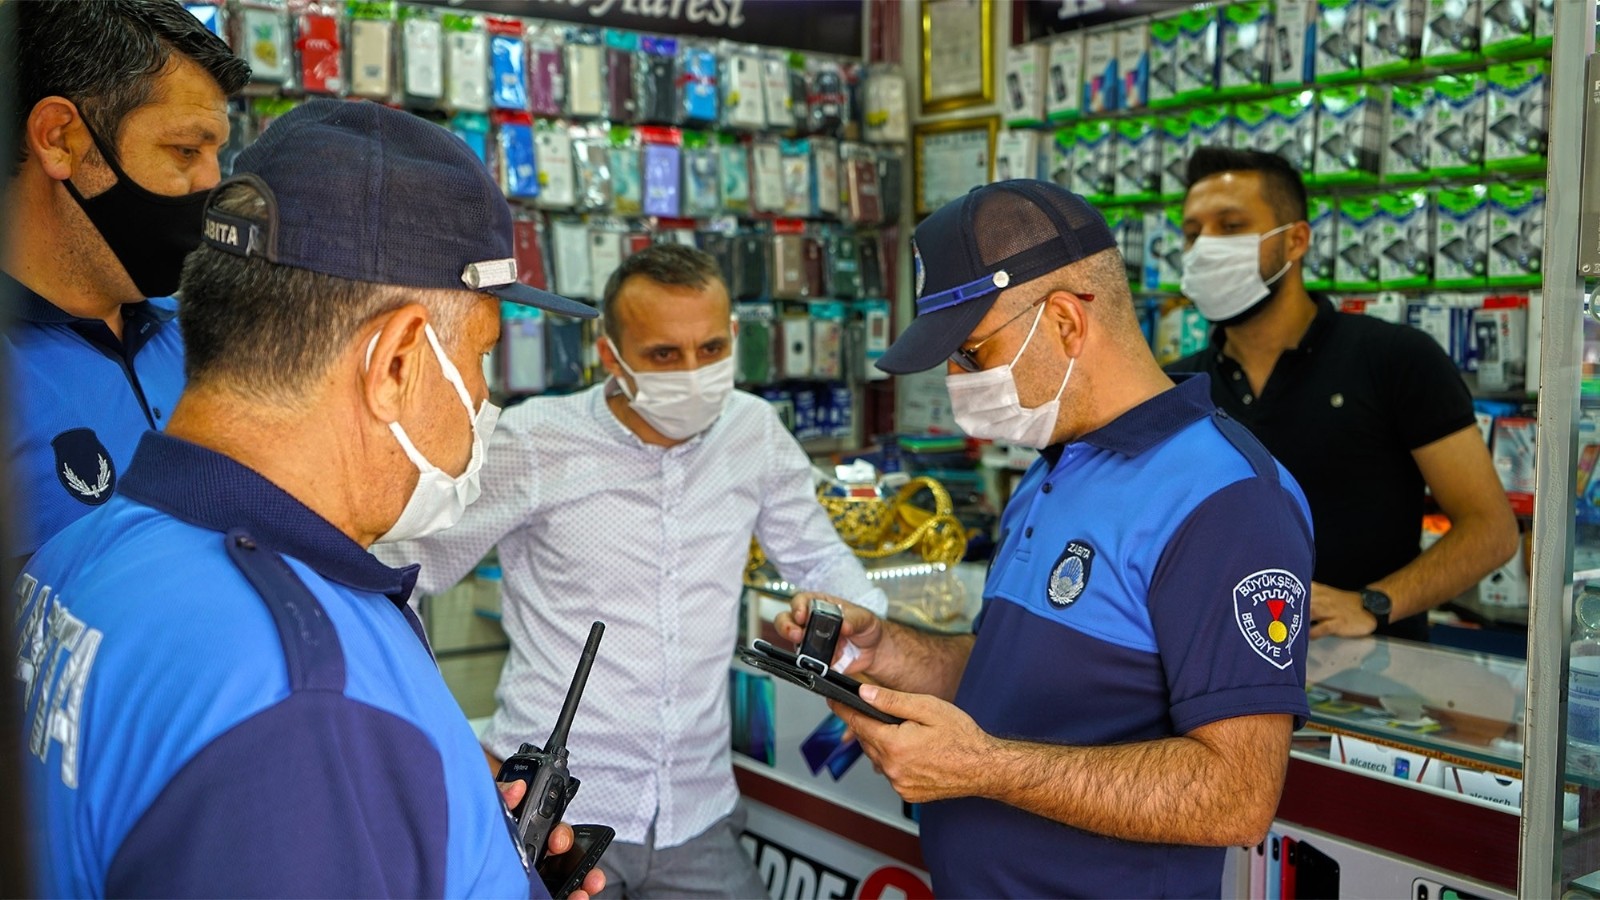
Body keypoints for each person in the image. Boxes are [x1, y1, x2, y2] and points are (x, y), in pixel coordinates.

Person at [14, 99, 605, 898]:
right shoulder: (305, 705)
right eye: (481, 354)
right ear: (396, 362)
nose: (482, 395)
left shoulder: (83, 550)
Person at [776, 179, 1315, 898]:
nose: (955, 380)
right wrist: (897, 654)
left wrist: (985, 768)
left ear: (1064, 320)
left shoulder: (1226, 497)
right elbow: (1022, 679)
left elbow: (1236, 795)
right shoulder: (1052, 465)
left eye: (971, 352)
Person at [379, 242, 889, 899]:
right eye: (663, 355)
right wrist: (441, 733)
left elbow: (817, 555)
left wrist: (867, 623)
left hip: (698, 813)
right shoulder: (536, 442)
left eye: (711, 349)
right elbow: (398, 578)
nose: (694, 371)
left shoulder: (754, 432)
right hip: (557, 824)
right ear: (610, 357)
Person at [1169, 147, 1519, 641]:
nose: (1204, 247)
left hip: (1371, 681)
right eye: (1192, 233)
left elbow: (1491, 530)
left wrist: (1374, 604)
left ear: (1295, 241)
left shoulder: (1395, 358)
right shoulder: (1176, 389)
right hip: (1216, 674)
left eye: (1230, 226)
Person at [2, 1, 250, 563]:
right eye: (185, 150)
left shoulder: (201, 341)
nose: (212, 184)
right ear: (59, 137)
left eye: (218, 154)